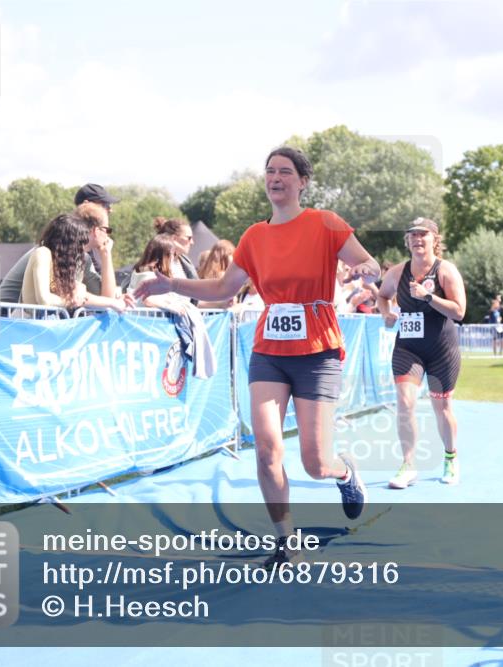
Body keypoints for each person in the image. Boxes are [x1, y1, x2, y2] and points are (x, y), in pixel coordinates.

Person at [134, 146, 379, 565]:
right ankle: (286, 541)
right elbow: (223, 290)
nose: (275, 177)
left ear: (303, 181)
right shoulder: (254, 236)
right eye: (270, 171)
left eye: (285, 171)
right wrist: (170, 285)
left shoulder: (326, 224)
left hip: (318, 352)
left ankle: (344, 471)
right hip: (269, 351)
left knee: (315, 461)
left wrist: (364, 272)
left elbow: (370, 264)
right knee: (266, 449)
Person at [376, 218, 466, 489]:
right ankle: (408, 464)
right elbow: (382, 296)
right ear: (407, 241)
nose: (417, 239)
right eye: (412, 235)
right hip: (409, 348)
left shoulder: (445, 271)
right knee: (405, 403)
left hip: (441, 350)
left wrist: (429, 297)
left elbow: (459, 312)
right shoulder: (397, 272)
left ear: (434, 239)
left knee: (442, 407)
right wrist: (386, 313)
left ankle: (450, 458)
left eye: (422, 234)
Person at [196, 240, 236, 309]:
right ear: (225, 255)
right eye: (231, 254)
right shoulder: (223, 275)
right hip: (217, 315)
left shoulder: (202, 271)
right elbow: (232, 301)